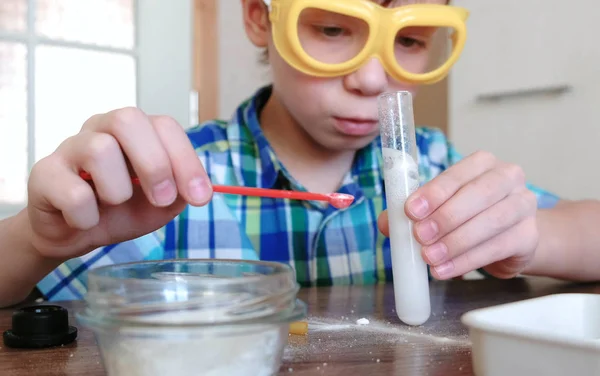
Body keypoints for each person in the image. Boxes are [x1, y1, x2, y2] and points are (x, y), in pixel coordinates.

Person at [1, 0, 599, 308]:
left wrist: (535, 236)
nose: (371, 80)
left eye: (409, 40)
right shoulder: (168, 185)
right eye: (333, 29)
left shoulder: (434, 165)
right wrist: (36, 240)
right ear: (262, 17)